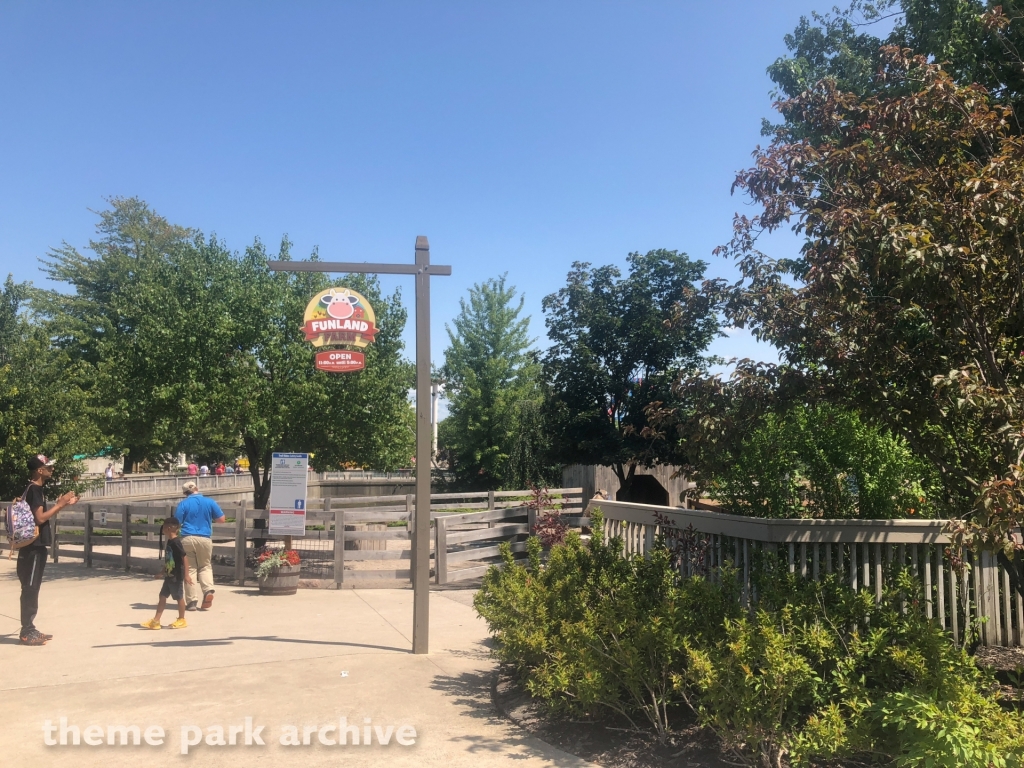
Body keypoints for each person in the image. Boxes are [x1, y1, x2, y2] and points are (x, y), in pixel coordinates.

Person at [18, 454, 78, 646]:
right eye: (48, 467)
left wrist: (62, 505)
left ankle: (30, 628)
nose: (52, 470)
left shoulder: (33, 489)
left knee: (30, 587)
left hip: (32, 548)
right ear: (39, 470)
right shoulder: (35, 490)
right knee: (30, 588)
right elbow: (40, 518)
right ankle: (27, 631)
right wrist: (60, 505)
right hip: (33, 548)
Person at [173, 481, 225, 611]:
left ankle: (191, 602)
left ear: (185, 493)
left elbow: (176, 523)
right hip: (205, 538)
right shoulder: (210, 502)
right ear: (197, 488)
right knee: (205, 566)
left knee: (190, 569)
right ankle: (208, 591)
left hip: (187, 538)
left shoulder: (183, 504)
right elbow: (221, 519)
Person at [140, 517, 192, 630]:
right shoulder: (170, 541)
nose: (162, 529)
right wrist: (162, 572)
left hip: (176, 575)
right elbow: (169, 560)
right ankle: (156, 621)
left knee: (179, 597)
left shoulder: (176, 542)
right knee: (162, 596)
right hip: (169, 575)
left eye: (163, 527)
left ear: (168, 528)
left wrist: (186, 575)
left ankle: (182, 619)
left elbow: (185, 558)